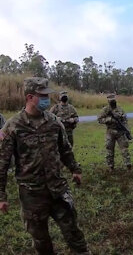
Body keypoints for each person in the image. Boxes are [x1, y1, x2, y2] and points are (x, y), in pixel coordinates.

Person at [0, 77, 90, 255]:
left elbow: (65, 149)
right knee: (41, 241)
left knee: (74, 233)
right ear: (29, 97)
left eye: (47, 96)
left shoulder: (54, 121)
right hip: (32, 194)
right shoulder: (13, 126)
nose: (47, 100)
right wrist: (1, 195)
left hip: (58, 189)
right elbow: (2, 163)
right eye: (42, 96)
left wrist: (75, 169)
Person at [97, 94, 132, 171]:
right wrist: (109, 119)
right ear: (108, 101)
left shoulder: (120, 109)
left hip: (120, 132)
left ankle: (128, 165)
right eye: (111, 100)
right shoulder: (105, 110)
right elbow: (99, 119)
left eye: (114, 100)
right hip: (110, 131)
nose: (113, 101)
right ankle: (110, 166)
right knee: (109, 150)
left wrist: (127, 130)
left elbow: (125, 120)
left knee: (124, 149)